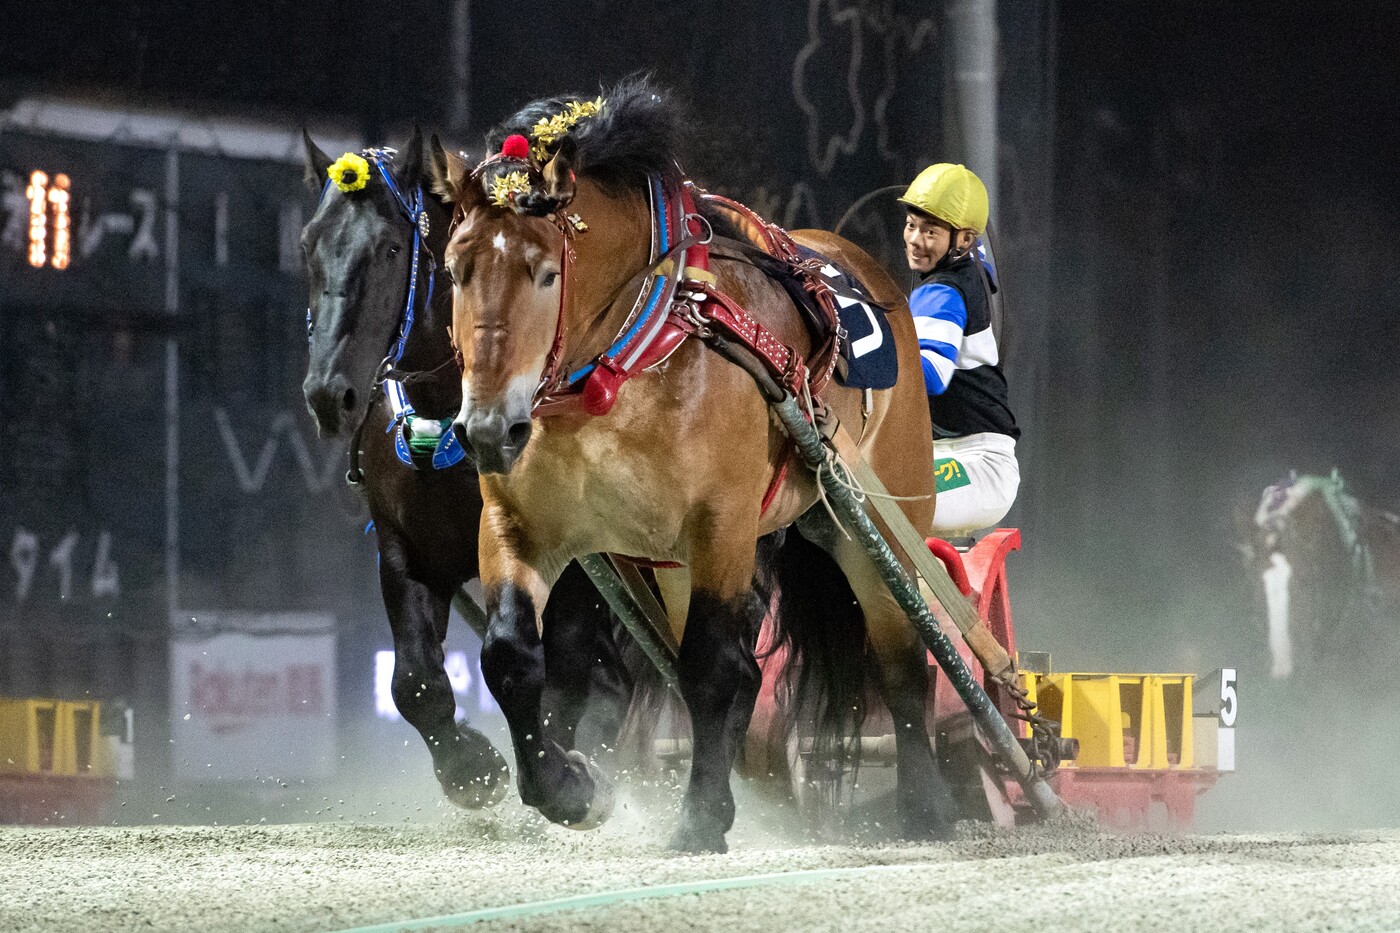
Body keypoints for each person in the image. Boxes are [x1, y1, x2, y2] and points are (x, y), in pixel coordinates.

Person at [899, 163, 1020, 536]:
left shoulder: (943, 290)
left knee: (883, 502)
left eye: (930, 231)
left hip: (977, 464)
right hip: (949, 454)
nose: (915, 240)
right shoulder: (969, 265)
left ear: (964, 240)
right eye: (911, 225)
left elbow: (931, 376)